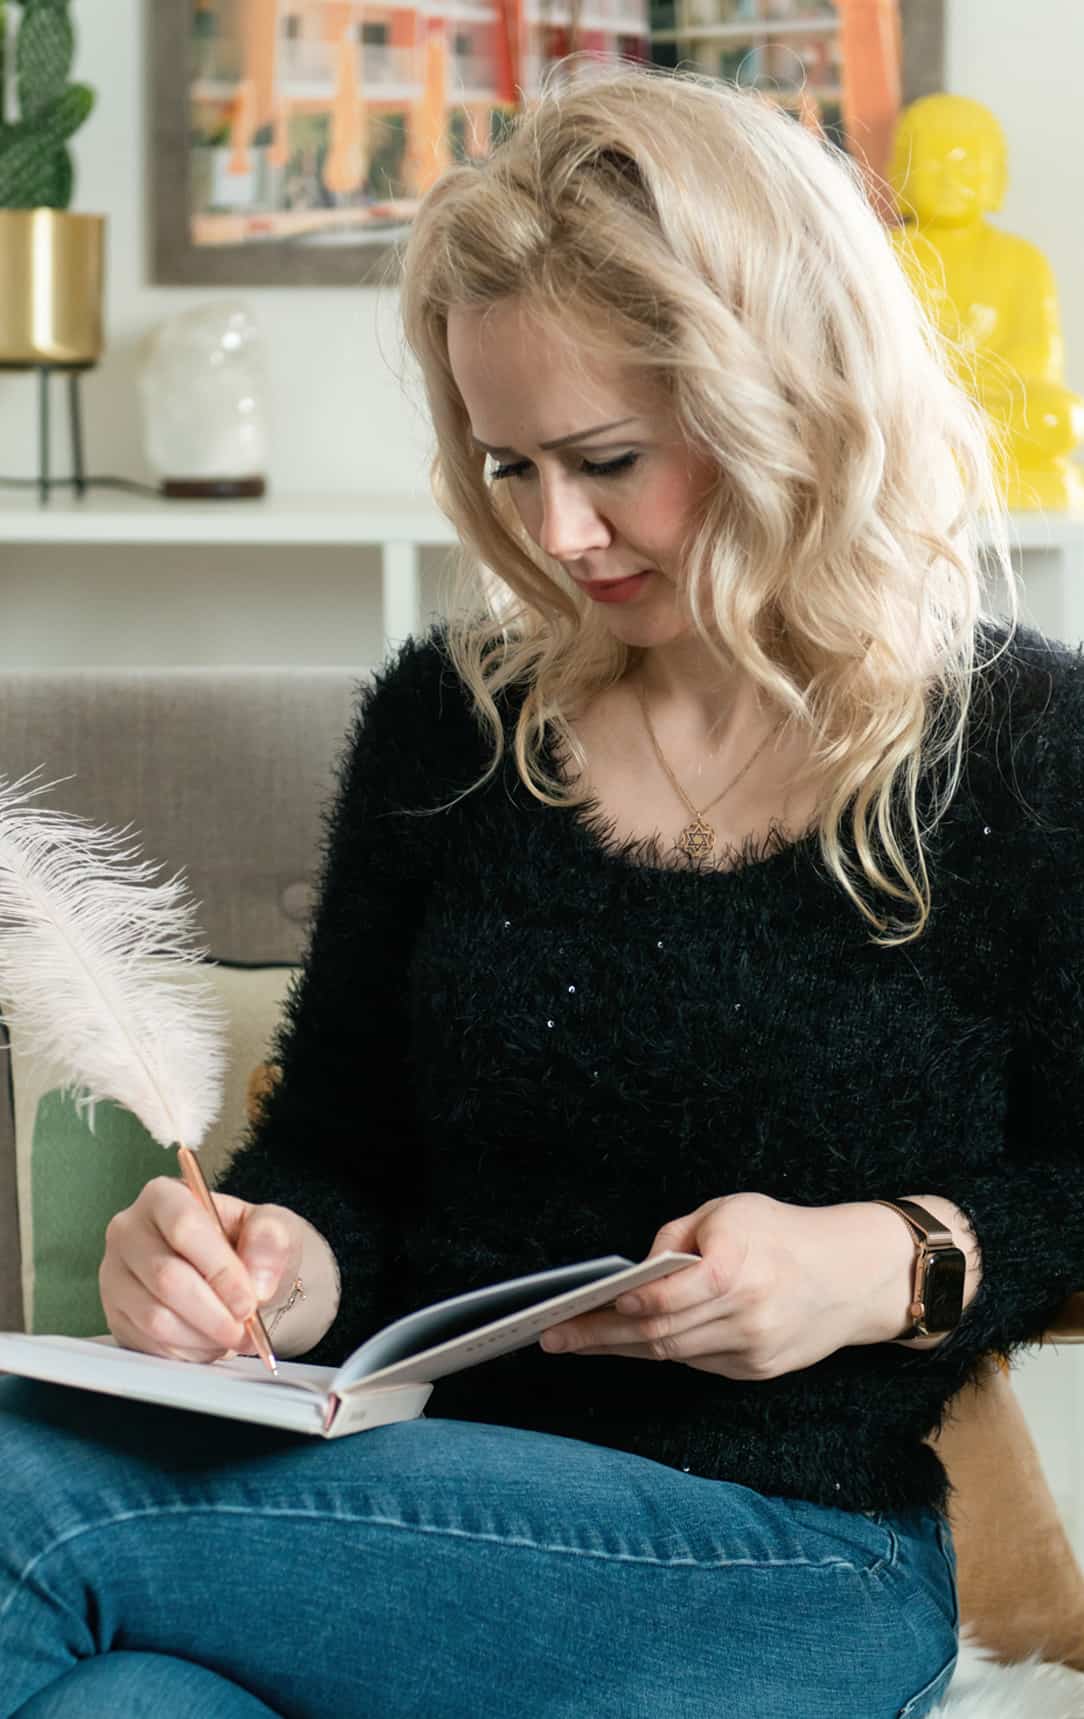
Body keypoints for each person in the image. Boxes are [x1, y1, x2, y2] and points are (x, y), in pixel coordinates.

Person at [2, 61, 1082, 1719]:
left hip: (786, 1567)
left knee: (23, 1499)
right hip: (405, 1515)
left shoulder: (1022, 745)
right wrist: (272, 1259)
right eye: (508, 469)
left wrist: (883, 1259)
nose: (560, 533)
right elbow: (342, 1152)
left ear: (783, 393)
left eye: (608, 458)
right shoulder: (450, 727)